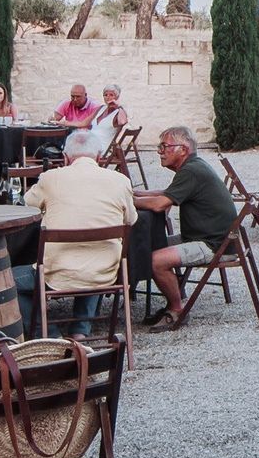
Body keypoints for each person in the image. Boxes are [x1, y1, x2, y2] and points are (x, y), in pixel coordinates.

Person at [22, 129, 135, 337]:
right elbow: (131, 220)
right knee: (95, 253)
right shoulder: (120, 181)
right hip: (105, 271)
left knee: (6, 281)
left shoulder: (50, 178)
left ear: (65, 158)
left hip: (57, 272)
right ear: (98, 157)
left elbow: (28, 205)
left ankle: (51, 336)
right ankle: (80, 331)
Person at [138, 127, 237, 317]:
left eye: (164, 146)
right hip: (205, 237)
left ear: (183, 150)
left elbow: (159, 205)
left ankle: (176, 310)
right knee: (144, 246)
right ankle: (171, 295)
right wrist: (136, 194)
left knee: (154, 260)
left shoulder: (191, 171)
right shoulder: (193, 166)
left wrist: (126, 200)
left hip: (213, 245)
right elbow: (167, 194)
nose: (159, 151)